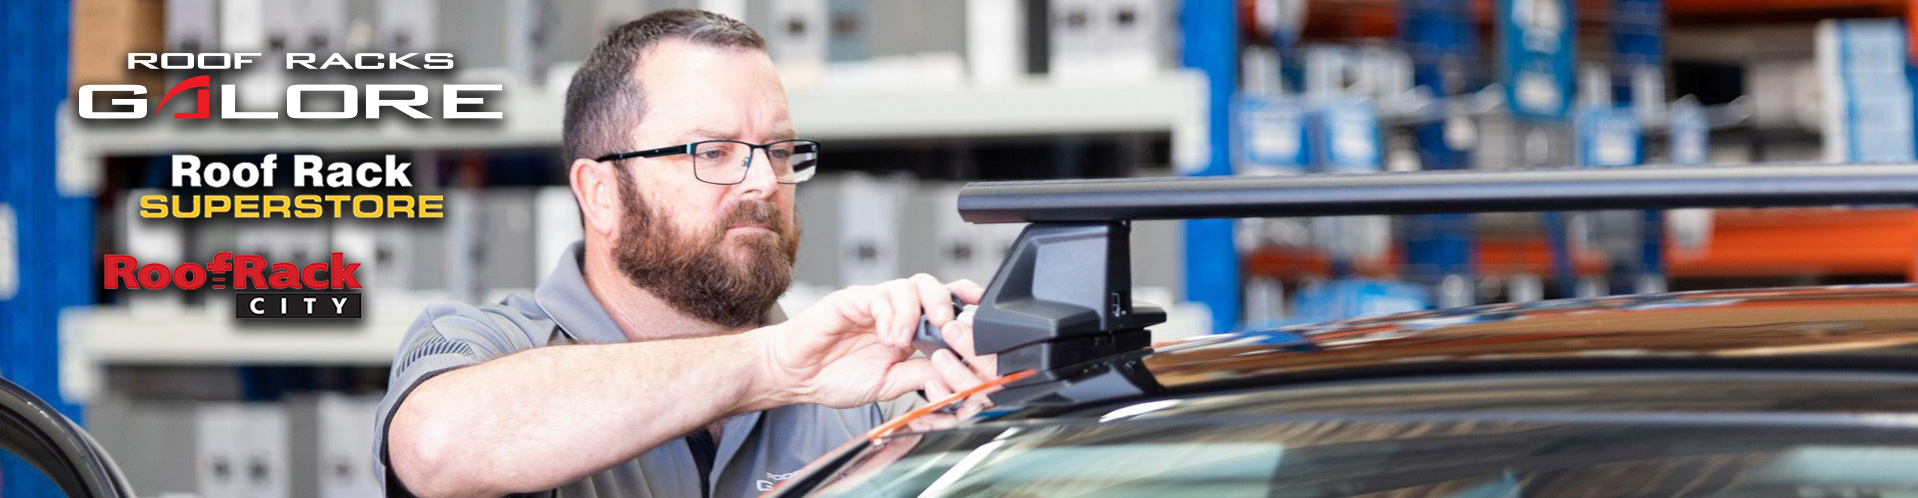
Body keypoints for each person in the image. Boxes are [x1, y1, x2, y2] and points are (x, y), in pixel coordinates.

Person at [373, 9, 1000, 498]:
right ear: (601, 194)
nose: (762, 183)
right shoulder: (483, 346)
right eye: (712, 153)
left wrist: (988, 418)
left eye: (778, 151)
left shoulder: (870, 388)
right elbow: (435, 447)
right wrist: (772, 368)